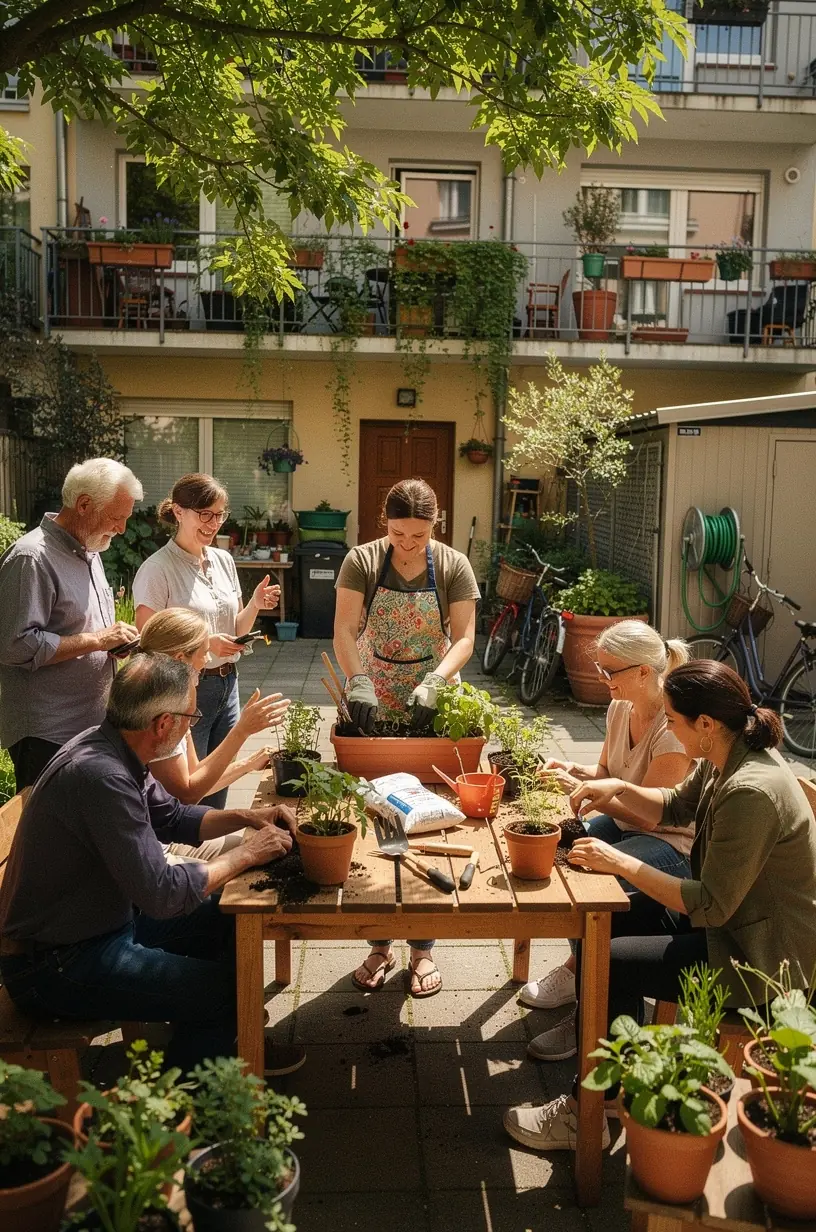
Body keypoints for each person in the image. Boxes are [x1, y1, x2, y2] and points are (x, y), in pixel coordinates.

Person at [504, 659, 816, 1152]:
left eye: (672, 719)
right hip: (728, 923)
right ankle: (611, 1088)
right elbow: (673, 805)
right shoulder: (730, 756)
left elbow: (709, 904)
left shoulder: (751, 791)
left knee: (609, 958)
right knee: (604, 928)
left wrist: (619, 862)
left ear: (706, 726)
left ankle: (593, 1111)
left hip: (757, 956)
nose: (667, 727)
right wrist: (619, 789)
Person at [0, 653, 304, 1077]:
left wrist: (248, 818)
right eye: (190, 716)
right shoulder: (101, 777)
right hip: (55, 965)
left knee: (229, 918)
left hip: (96, 929)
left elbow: (174, 817)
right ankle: (177, 1112)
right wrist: (246, 854)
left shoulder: (114, 746)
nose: (191, 725)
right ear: (163, 724)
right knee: (226, 993)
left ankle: (223, 1043)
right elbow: (162, 893)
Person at [520, 622, 694, 1063]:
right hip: (630, 825)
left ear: (643, 672)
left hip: (672, 846)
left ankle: (589, 1018)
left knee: (590, 885)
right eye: (601, 668)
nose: (603, 678)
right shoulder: (620, 706)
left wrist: (597, 796)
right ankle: (579, 976)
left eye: (610, 669)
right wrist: (573, 771)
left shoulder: (671, 730)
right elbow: (606, 776)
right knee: (561, 857)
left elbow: (649, 814)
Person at [333, 477, 480, 998]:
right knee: (380, 817)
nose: (408, 545)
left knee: (431, 817)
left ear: (433, 526)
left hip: (434, 690)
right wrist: (358, 683)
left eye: (418, 536)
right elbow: (345, 630)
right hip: (376, 688)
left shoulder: (454, 566)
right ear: (384, 524)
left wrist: (437, 683)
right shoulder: (363, 561)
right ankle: (378, 944)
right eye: (399, 534)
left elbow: (463, 637)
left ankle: (423, 950)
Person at [133, 473, 280, 810]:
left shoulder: (224, 561)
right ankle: (180, 858)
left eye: (220, 515)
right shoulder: (157, 569)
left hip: (228, 684)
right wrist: (206, 643)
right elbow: (148, 641)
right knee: (186, 791)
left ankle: (214, 848)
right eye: (205, 514)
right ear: (178, 511)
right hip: (184, 691)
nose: (213, 524)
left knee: (216, 783)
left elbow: (236, 624)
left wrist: (255, 605)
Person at [0, 458, 143, 789]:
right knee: (52, 837)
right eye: (116, 518)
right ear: (83, 505)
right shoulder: (31, 558)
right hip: (48, 733)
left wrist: (113, 646)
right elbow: (13, 645)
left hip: (87, 725)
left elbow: (84, 628)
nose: (121, 529)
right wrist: (96, 640)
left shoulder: (90, 551)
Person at [140, 607, 290, 860]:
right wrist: (241, 731)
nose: (208, 660)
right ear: (180, 660)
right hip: (155, 849)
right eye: (204, 652)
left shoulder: (165, 696)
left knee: (279, 843)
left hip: (165, 837)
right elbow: (188, 794)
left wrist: (246, 765)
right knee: (265, 857)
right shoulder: (160, 714)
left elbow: (195, 776)